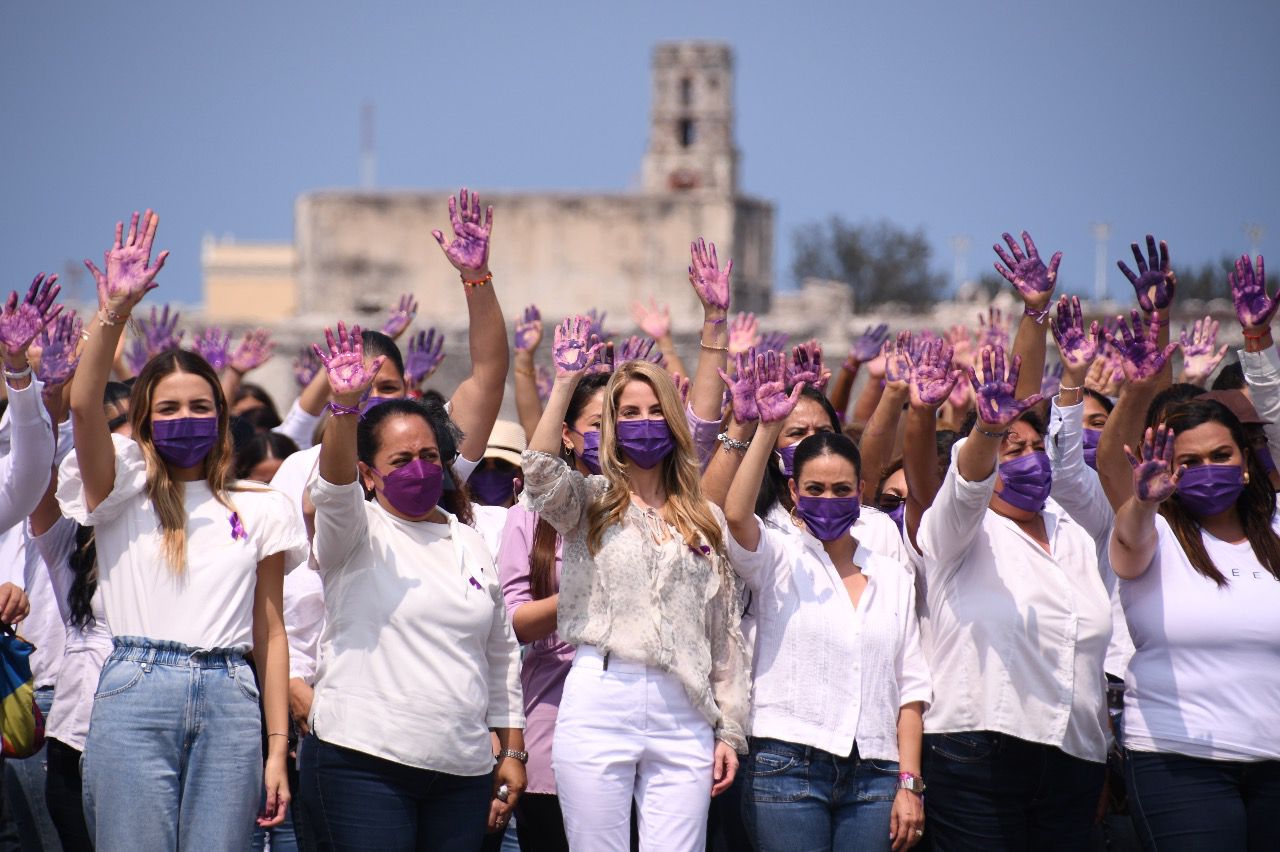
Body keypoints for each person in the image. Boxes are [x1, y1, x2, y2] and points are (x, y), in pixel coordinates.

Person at [58, 211, 304, 849]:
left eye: (200, 406)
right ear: (143, 420)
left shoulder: (260, 506)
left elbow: (271, 632)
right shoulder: (121, 488)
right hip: (137, 689)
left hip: (232, 697)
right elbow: (84, 405)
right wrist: (114, 309)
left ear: (223, 418)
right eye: (167, 408)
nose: (185, 418)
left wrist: (277, 749)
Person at [523, 319, 750, 852]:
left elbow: (723, 634)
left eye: (655, 412)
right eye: (629, 413)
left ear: (672, 421)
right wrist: (563, 381)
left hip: (684, 706)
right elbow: (538, 476)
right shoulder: (589, 499)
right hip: (601, 692)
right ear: (611, 425)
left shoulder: (704, 517)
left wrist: (729, 731)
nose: (644, 423)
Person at [298, 325, 525, 851]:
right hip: (361, 763)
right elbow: (332, 490)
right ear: (369, 475)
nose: (419, 469)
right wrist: (344, 408)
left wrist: (512, 749)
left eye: (428, 456)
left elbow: (499, 653)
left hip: (462, 771)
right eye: (400, 461)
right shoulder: (354, 530)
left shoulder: (468, 540)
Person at [722, 354, 928, 852]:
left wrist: (910, 783)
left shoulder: (890, 573)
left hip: (877, 775)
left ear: (861, 492)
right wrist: (768, 428)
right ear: (793, 491)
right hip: (786, 766)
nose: (828, 499)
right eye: (814, 489)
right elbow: (733, 512)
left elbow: (910, 689)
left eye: (841, 489)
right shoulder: (774, 555)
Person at [916, 344, 1112, 850]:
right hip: (979, 751)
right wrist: (986, 428)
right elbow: (966, 484)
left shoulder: (1076, 531)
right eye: (1011, 449)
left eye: (1034, 447)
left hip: (1074, 755)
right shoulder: (962, 529)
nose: (1028, 460)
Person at [498, 372, 609, 852]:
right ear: (567, 434)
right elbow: (513, 622)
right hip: (552, 723)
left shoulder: (657, 509)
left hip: (635, 729)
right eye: (598, 423)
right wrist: (588, 590)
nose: (612, 438)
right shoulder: (528, 516)